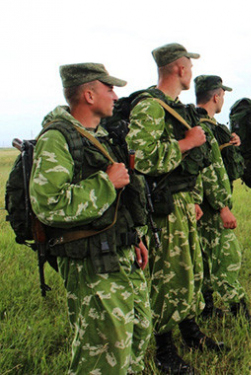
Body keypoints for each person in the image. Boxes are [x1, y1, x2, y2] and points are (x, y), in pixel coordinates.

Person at [29, 63, 152, 374]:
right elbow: (49, 204)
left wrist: (134, 237)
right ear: (87, 94)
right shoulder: (57, 139)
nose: (114, 94)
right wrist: (106, 183)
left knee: (137, 332)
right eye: (108, 88)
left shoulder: (99, 136)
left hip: (119, 252)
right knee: (102, 351)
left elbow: (120, 203)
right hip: (90, 262)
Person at [126, 43, 222, 375]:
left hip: (181, 203)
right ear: (179, 69)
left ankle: (190, 332)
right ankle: (164, 350)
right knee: (167, 275)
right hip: (162, 208)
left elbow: (188, 165)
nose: (191, 73)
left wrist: (194, 197)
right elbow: (139, 159)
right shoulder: (150, 107)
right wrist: (186, 143)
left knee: (190, 270)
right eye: (189, 68)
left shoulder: (173, 106)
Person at [194, 74, 251, 321]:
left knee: (204, 259)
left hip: (199, 207)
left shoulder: (199, 125)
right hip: (211, 207)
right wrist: (222, 207)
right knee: (226, 257)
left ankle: (206, 310)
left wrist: (230, 144)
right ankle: (240, 315)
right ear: (216, 96)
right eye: (223, 95)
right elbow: (209, 169)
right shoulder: (204, 128)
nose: (223, 99)